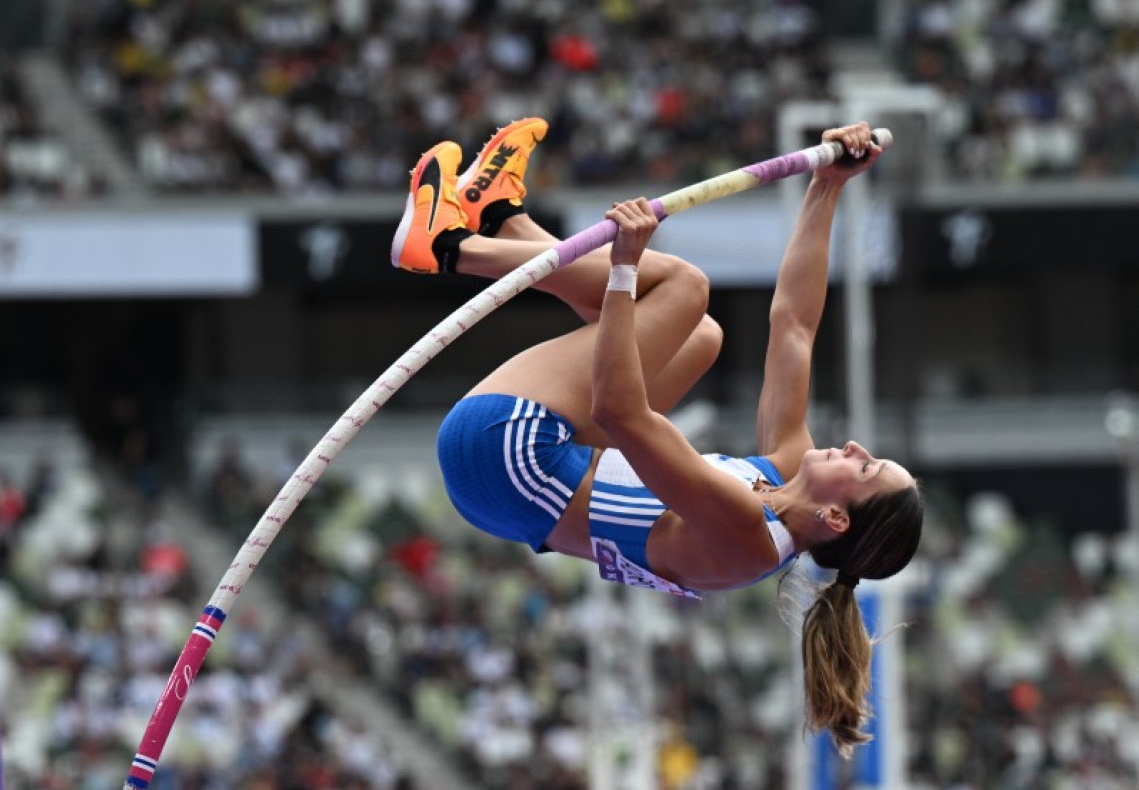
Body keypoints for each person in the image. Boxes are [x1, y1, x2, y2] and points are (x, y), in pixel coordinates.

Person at [390, 118, 924, 756]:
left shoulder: (745, 532)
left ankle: (449, 247)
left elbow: (620, 411)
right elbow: (794, 329)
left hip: (506, 456)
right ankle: (503, 216)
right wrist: (827, 189)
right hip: (527, 481)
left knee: (682, 287)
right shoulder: (782, 472)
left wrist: (623, 270)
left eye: (868, 469)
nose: (858, 448)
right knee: (701, 337)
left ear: (836, 516)